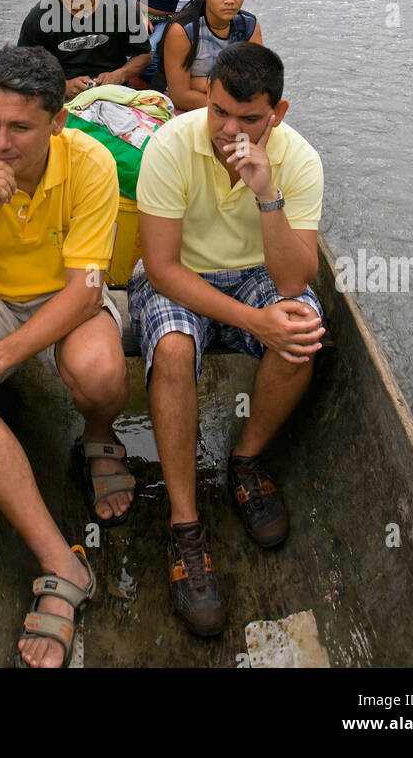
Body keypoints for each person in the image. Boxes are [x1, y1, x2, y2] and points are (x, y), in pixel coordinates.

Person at [0, 45, 135, 669]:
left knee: (98, 368)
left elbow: (86, 288)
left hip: (69, 294)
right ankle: (60, 562)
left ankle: (98, 439)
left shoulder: (89, 164)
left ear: (57, 122)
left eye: (19, 127)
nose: (0, 142)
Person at [127, 42, 325, 638]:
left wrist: (268, 194)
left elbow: (292, 279)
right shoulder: (170, 146)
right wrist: (250, 322)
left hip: (258, 273)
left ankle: (245, 460)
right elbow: (160, 268)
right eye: (219, 113)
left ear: (277, 114)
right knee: (174, 349)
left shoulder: (301, 161)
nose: (228, 131)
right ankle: (185, 527)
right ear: (207, 99)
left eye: (248, 119)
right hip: (179, 274)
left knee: (302, 329)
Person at [18, 0, 151, 99]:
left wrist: (119, 75)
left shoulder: (122, 4)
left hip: (113, 92)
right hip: (59, 97)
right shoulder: (41, 15)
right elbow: (23, 71)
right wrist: (62, 87)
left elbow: (144, 55)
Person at [160, 0, 262, 111]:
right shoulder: (183, 30)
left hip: (233, 106)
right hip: (186, 109)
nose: (230, 0)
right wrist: (230, 107)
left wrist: (197, 82)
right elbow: (180, 97)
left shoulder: (249, 25)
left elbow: (256, 83)